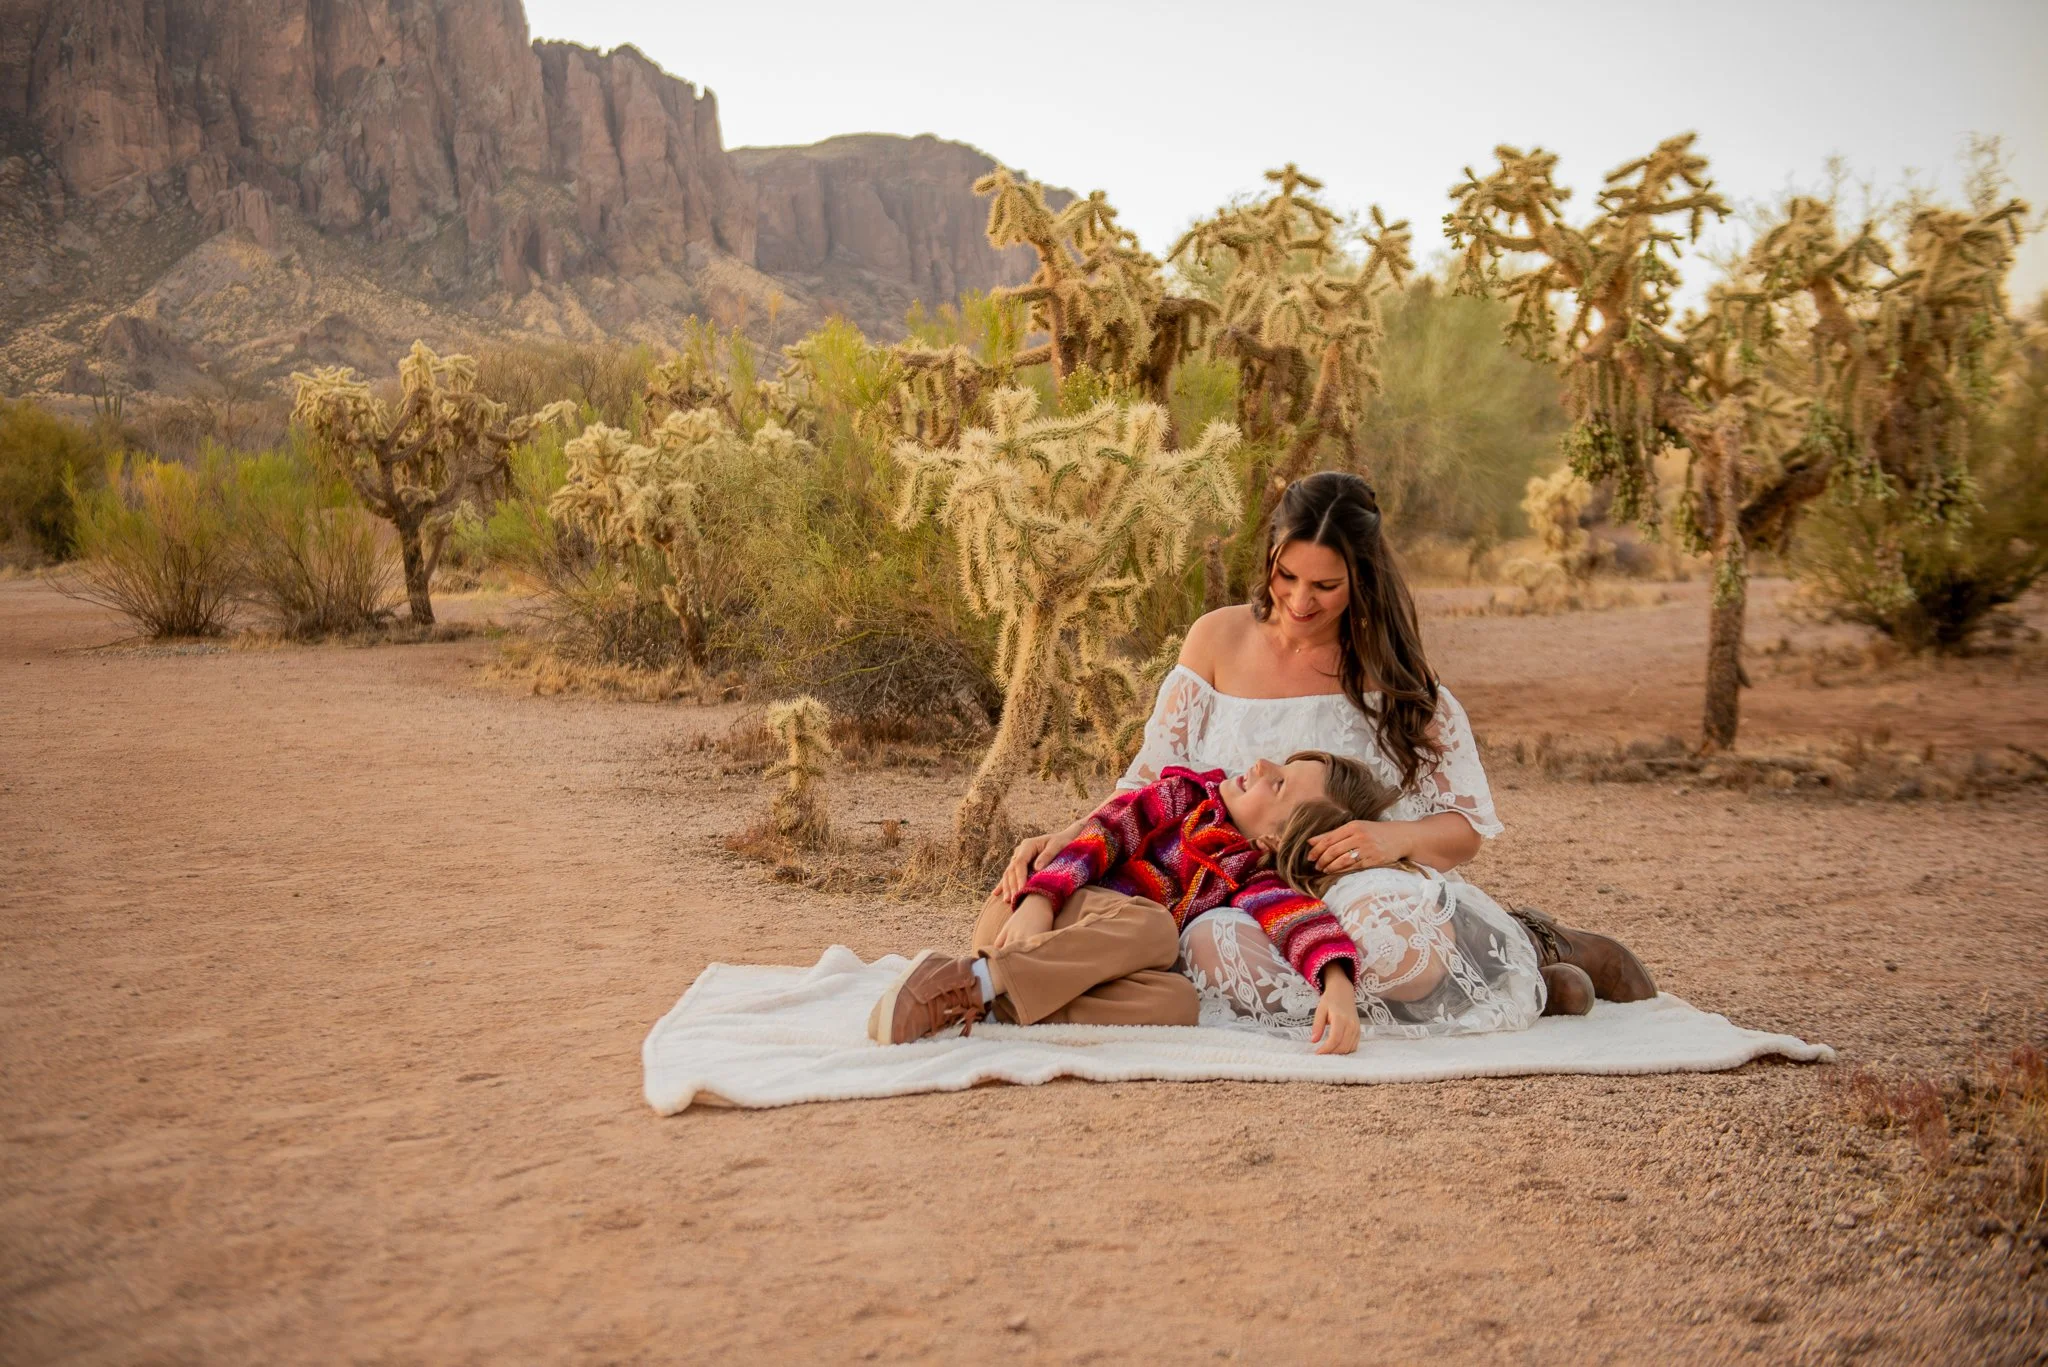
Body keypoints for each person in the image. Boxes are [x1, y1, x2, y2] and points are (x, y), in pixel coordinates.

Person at [999, 471, 1654, 1041]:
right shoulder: (1217, 639)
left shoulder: (1392, 673)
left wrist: (1385, 838)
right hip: (1236, 888)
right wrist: (1063, 839)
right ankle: (1490, 978)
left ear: (1361, 580)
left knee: (1387, 938)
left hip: (1362, 880)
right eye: (1287, 575)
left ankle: (1520, 950)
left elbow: (1464, 830)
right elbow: (1147, 782)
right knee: (1207, 945)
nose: (1300, 600)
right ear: (1269, 558)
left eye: (1325, 585)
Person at [868, 751, 1394, 1051]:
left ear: (1275, 842)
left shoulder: (1246, 872)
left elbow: (1297, 918)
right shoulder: (1181, 796)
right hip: (1031, 913)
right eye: (1277, 765)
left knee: (1179, 1003)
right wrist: (1040, 901)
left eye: (1277, 786)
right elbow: (1102, 835)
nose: (1259, 765)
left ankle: (991, 1000)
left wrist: (1337, 983)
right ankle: (969, 980)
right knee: (1157, 929)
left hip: (1063, 964)